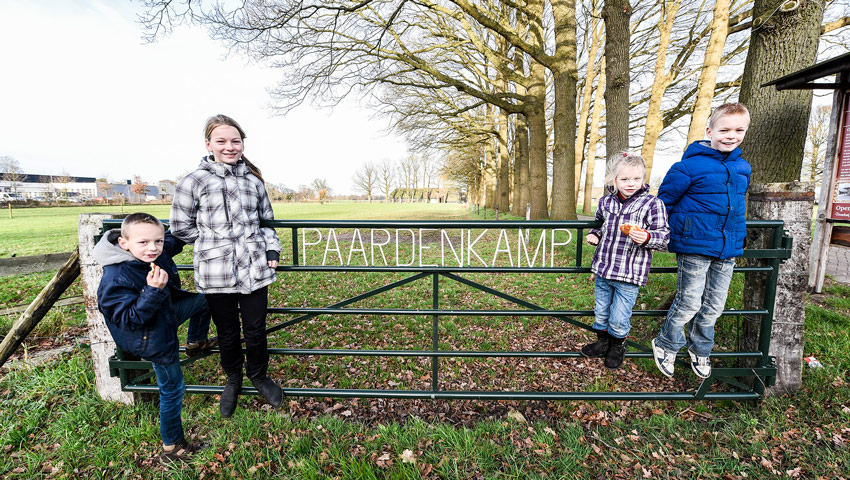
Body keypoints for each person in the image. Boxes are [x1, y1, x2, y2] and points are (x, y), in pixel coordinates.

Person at [170, 114, 283, 418]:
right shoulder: (193, 181)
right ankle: (233, 379)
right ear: (209, 144)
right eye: (222, 141)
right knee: (228, 332)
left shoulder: (254, 182)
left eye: (235, 141)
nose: (230, 147)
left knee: (256, 330)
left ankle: (259, 376)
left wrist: (271, 247)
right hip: (215, 271)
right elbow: (180, 226)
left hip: (255, 269)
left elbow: (267, 222)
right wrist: (213, 244)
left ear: (243, 144)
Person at [95, 213, 214, 464]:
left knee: (206, 300)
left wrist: (200, 219)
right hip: (152, 337)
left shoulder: (154, 250)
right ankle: (173, 447)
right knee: (172, 390)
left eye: (157, 241)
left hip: (164, 314)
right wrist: (153, 291)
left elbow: (174, 239)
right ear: (123, 243)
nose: (153, 248)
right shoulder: (115, 278)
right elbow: (129, 320)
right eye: (144, 242)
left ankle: (196, 340)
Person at [651, 102, 752, 379]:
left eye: (739, 130)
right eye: (725, 129)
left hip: (727, 247)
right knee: (689, 302)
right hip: (694, 244)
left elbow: (735, 206)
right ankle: (667, 343)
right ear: (710, 131)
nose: (731, 135)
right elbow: (663, 204)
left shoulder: (743, 168)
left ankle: (701, 349)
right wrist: (662, 234)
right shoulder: (687, 167)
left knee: (715, 306)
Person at [581, 153, 670, 369]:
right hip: (604, 269)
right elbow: (600, 223)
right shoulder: (606, 202)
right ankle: (602, 342)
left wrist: (647, 237)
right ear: (613, 180)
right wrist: (595, 234)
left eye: (636, 179)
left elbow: (664, 236)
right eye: (625, 179)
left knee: (620, 317)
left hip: (629, 273)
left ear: (643, 178)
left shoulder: (652, 204)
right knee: (601, 311)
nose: (631, 184)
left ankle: (617, 346)